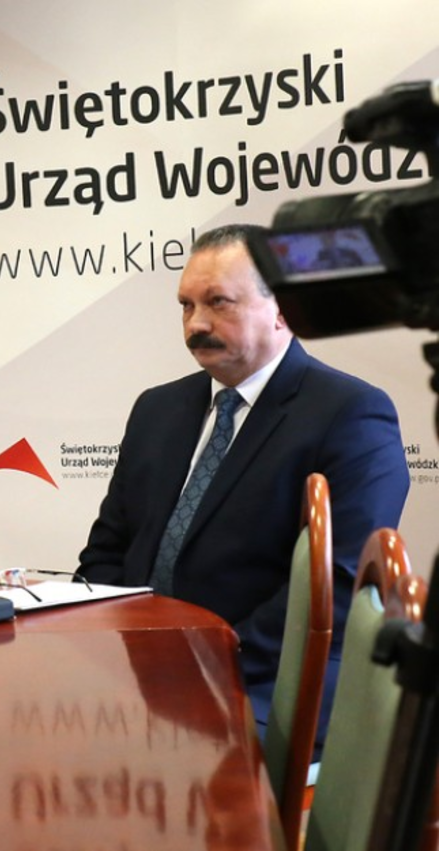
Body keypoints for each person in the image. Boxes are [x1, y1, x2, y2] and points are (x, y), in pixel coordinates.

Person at [77, 223, 409, 744]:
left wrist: (205, 662)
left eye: (218, 302)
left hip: (264, 682)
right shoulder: (156, 408)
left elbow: (335, 585)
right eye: (186, 305)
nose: (196, 324)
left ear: (283, 310)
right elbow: (107, 551)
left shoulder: (349, 413)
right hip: (141, 670)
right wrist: (124, 651)